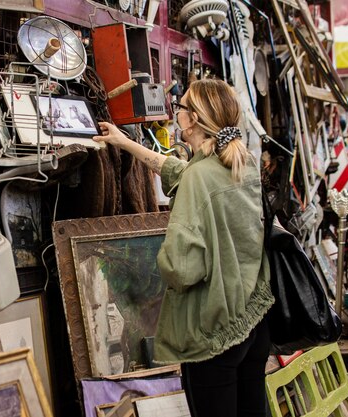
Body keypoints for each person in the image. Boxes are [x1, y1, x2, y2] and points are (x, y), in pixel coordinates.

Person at [93, 79, 274, 417]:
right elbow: (180, 170)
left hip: (213, 330)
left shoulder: (200, 177)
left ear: (193, 119)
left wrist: (153, 263)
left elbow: (181, 267)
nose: (177, 112)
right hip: (253, 321)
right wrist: (125, 142)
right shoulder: (241, 161)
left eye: (182, 107)